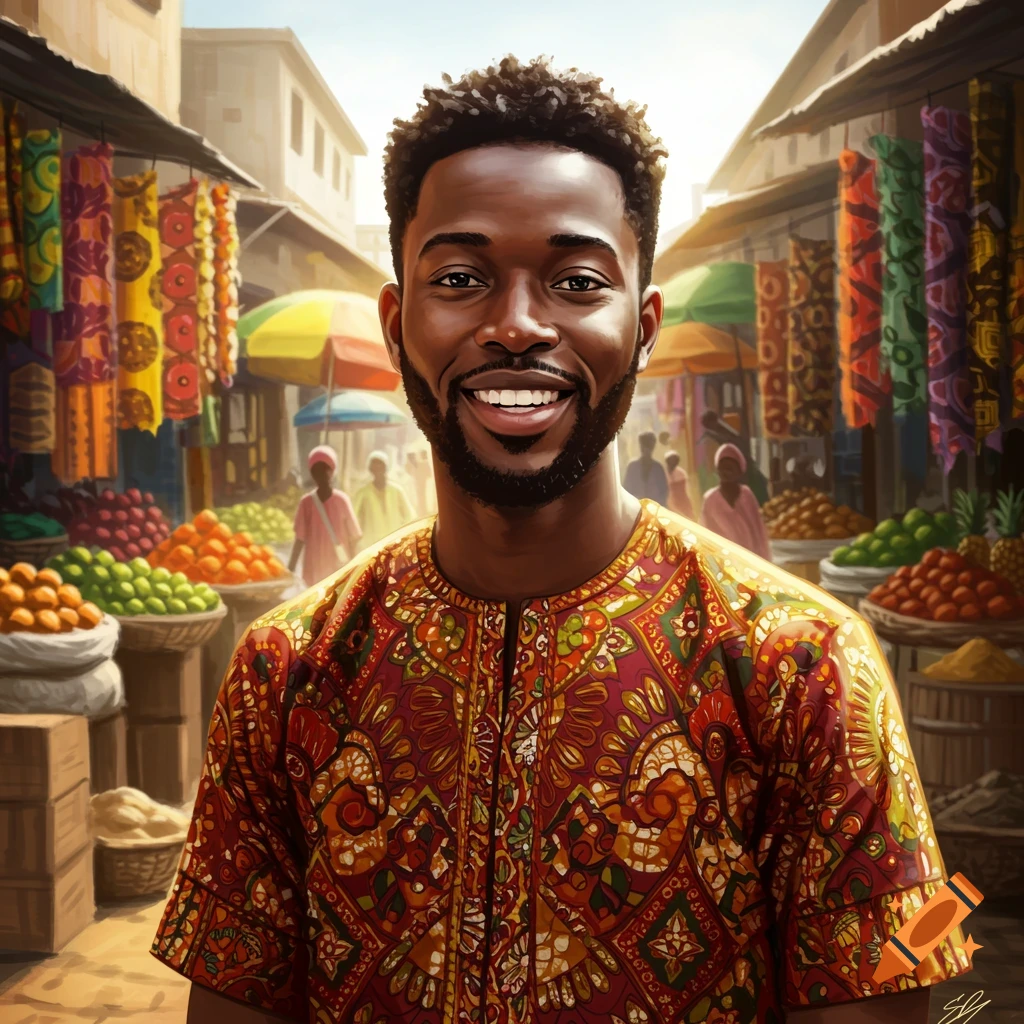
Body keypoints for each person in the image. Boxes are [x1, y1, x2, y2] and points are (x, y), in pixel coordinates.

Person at [164, 56, 965, 1024]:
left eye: (577, 282)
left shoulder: (803, 666)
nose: (515, 326)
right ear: (397, 320)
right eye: (459, 279)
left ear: (643, 326)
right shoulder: (286, 671)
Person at [287, 446, 361, 587]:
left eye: (326, 469)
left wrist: (355, 567)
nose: (322, 474)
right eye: (317, 471)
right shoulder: (306, 503)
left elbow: (354, 537)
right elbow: (299, 539)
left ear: (332, 471)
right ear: (312, 474)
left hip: (338, 566)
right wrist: (290, 568)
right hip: (314, 567)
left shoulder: (342, 500)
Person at [700, 443, 772, 560]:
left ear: (739, 471)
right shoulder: (710, 500)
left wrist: (765, 561)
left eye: (730, 469)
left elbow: (759, 531)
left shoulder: (747, 495)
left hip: (750, 561)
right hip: (723, 562)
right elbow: (705, 537)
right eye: (722, 468)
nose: (726, 472)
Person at [351, 450, 416, 550]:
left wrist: (403, 536)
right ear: (371, 469)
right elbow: (353, 519)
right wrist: (360, 541)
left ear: (386, 467)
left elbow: (409, 516)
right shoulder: (363, 493)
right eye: (374, 466)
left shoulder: (397, 491)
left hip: (394, 542)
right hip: (370, 545)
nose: (378, 469)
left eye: (380, 465)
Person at [622, 428, 669, 504]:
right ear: (640, 446)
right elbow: (626, 490)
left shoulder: (658, 468)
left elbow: (664, 492)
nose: (646, 449)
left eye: (649, 446)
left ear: (652, 447)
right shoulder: (632, 466)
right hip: (635, 507)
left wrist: (657, 505)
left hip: (654, 508)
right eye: (644, 446)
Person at [664, 449, 694, 518]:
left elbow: (687, 490)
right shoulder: (664, 475)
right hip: (671, 504)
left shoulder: (681, 473)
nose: (673, 463)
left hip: (684, 503)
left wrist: (689, 503)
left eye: (675, 461)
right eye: (671, 461)